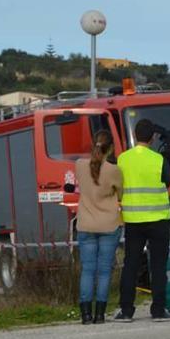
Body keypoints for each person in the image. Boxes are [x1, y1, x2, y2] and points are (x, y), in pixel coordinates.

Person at [115, 119, 170, 322]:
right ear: (152, 137)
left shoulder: (123, 159)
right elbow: (168, 181)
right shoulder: (158, 159)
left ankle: (125, 310)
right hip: (158, 218)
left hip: (133, 219)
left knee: (130, 264)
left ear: (135, 135)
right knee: (158, 265)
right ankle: (158, 310)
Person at [74, 130, 123, 324]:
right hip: (109, 225)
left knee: (87, 269)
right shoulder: (113, 170)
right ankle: (100, 314)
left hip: (86, 224)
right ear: (110, 148)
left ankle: (85, 314)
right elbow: (120, 194)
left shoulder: (79, 165)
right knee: (104, 270)